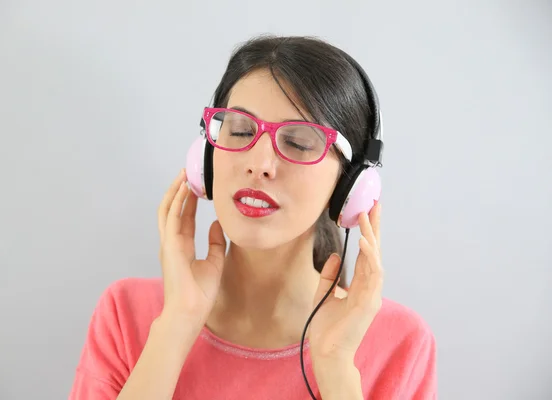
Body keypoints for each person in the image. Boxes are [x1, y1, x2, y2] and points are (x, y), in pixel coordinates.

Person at [68, 35, 437, 400]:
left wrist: (336, 365)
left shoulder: (402, 345)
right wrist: (176, 325)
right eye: (241, 130)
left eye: (297, 142)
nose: (259, 165)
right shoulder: (126, 313)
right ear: (206, 158)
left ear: (350, 183)